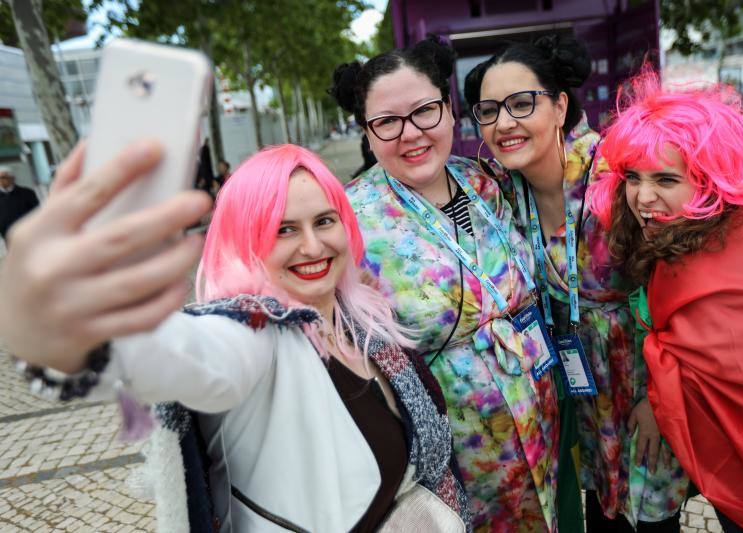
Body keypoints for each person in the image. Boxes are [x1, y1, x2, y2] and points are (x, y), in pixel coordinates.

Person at [0, 141, 471, 532]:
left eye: (324, 221)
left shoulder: (361, 318)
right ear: (245, 239)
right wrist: (58, 329)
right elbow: (180, 352)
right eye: (283, 229)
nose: (312, 246)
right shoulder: (252, 334)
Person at [330, 36, 560, 531]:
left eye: (424, 112)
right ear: (368, 134)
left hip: (540, 431)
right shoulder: (348, 220)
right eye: (387, 122)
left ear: (449, 110)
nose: (410, 133)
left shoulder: (484, 181)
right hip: (455, 466)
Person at [464, 35, 688, 532]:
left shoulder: (619, 176)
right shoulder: (500, 192)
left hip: (641, 388)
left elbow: (680, 291)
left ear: (560, 105)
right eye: (488, 110)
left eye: (522, 104)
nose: (505, 123)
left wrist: (659, 400)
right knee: (601, 513)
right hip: (578, 392)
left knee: (652, 519)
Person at [587, 69, 743, 533]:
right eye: (633, 178)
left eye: (665, 179)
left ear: (709, 180)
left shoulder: (740, 246)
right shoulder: (701, 236)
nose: (644, 197)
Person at [0, 165, 39, 242]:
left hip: (29, 233)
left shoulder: (27, 193)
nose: (0, 180)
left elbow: (37, 212)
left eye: (3, 177)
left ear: (12, 178)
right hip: (8, 235)